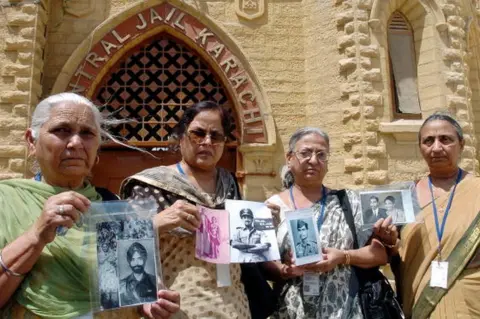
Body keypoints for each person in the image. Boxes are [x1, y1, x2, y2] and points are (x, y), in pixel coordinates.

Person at [0, 93, 180, 319]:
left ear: (97, 150)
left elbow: (137, 289)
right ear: (31, 141)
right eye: (62, 130)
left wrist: (152, 302)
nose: (75, 143)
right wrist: (36, 236)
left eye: (87, 133)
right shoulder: (6, 200)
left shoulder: (114, 208)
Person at [120, 101, 266, 318]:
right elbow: (123, 248)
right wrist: (156, 223)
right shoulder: (151, 185)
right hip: (179, 308)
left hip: (234, 306)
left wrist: (260, 225)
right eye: (198, 133)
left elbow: (245, 250)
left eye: (215, 136)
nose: (207, 141)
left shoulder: (228, 183)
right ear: (181, 137)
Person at [263, 127, 396, 318]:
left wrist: (343, 257)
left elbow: (380, 254)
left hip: (345, 310)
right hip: (289, 311)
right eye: (305, 153)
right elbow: (261, 265)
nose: (314, 160)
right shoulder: (272, 208)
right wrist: (287, 270)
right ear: (289, 158)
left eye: (321, 154)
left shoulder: (349, 202)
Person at [390, 113, 480, 319]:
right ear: (420, 147)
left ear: (462, 144)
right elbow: (389, 253)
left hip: (471, 303)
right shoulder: (405, 196)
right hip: (419, 301)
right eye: (428, 141)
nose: (436, 148)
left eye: (445, 139)